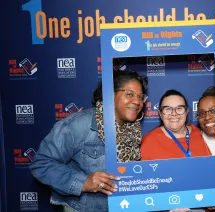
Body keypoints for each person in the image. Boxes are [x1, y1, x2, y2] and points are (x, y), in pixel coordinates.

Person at [29, 70, 148, 212]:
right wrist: (84, 182)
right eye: (129, 94)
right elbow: (41, 164)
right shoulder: (78, 125)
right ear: (110, 95)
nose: (137, 101)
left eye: (141, 97)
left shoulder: (133, 131)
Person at [141, 89, 211, 161]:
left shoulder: (204, 136)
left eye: (179, 108)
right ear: (160, 114)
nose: (174, 113)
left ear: (186, 112)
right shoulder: (148, 142)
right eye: (168, 109)